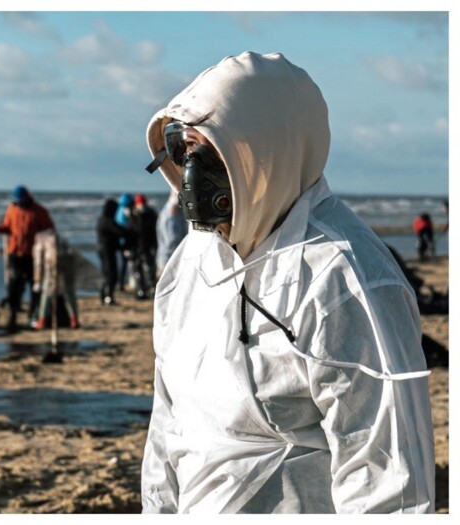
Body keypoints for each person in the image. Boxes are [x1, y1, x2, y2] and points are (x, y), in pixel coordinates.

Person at [140, 52, 433, 513]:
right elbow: (169, 424)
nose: (193, 177)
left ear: (266, 150)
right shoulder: (191, 264)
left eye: (211, 155)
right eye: (184, 154)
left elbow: (386, 477)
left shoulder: (344, 280)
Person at [0, 185, 55, 330]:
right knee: (15, 285)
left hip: (35, 256)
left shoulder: (39, 211)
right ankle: (13, 315)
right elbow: (7, 227)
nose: (18, 204)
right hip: (15, 253)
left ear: (27, 199)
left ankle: (34, 314)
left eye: (20, 201)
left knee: (35, 286)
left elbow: (49, 231)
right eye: (16, 201)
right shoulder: (12, 210)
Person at [96, 198, 129, 305]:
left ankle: (104, 297)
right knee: (111, 275)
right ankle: (108, 297)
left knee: (106, 274)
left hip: (104, 250)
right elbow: (119, 231)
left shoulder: (102, 220)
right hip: (107, 251)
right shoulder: (107, 221)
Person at [130, 194, 158, 299]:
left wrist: (154, 245)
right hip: (137, 246)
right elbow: (131, 231)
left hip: (147, 245)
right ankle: (141, 290)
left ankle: (152, 289)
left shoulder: (151, 215)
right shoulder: (134, 216)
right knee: (137, 269)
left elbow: (154, 231)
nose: (141, 206)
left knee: (149, 268)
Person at [155, 190, 188, 275]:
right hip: (169, 257)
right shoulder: (171, 213)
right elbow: (172, 239)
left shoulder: (167, 212)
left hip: (166, 255)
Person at [114, 193, 135, 292]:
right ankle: (123, 283)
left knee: (123, 264)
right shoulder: (125, 211)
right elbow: (126, 226)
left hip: (122, 240)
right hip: (126, 240)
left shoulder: (118, 210)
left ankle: (122, 282)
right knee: (125, 263)